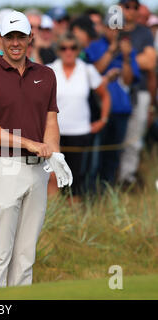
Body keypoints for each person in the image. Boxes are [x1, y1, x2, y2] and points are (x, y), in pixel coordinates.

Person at [0, 10, 71, 288]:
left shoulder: (46, 75)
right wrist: (29, 143)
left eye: (21, 37)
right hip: (2, 168)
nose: (16, 42)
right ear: (0, 39)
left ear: (31, 38)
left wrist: (54, 152)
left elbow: (51, 119)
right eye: (10, 37)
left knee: (26, 255)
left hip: (36, 172)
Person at [47, 33, 110, 198]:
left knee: (76, 179)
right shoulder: (49, 70)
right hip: (54, 133)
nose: (68, 51)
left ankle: (73, 218)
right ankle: (52, 217)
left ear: (78, 50)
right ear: (58, 50)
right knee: (52, 176)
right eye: (64, 48)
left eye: (73, 48)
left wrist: (103, 120)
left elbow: (104, 95)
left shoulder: (87, 70)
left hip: (80, 132)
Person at [86, 13, 141, 186]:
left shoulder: (128, 50)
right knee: (95, 157)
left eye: (119, 27)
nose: (115, 31)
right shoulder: (95, 46)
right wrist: (112, 50)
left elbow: (129, 79)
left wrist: (125, 57)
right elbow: (94, 71)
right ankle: (91, 193)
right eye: (111, 27)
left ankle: (106, 192)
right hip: (99, 110)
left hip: (121, 110)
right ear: (103, 27)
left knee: (113, 156)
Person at [118, 0, 157, 186]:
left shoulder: (143, 31)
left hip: (139, 90)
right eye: (127, 6)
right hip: (116, 92)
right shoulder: (113, 29)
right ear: (119, 8)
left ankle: (127, 177)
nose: (131, 11)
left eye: (135, 7)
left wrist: (123, 59)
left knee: (134, 138)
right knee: (115, 135)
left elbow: (150, 62)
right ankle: (111, 175)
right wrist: (134, 59)